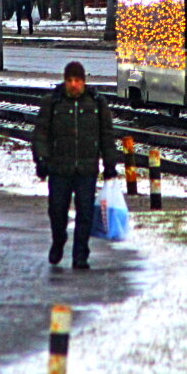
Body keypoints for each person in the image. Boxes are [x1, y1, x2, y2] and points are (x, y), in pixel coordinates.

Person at [32, 61, 121, 270]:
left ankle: (80, 255)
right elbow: (40, 135)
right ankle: (58, 240)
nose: (74, 85)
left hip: (86, 169)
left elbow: (107, 136)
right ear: (65, 81)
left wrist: (110, 165)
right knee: (57, 211)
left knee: (85, 214)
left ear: (84, 81)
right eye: (70, 80)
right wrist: (42, 159)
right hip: (59, 168)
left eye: (78, 80)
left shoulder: (97, 103)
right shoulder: (52, 103)